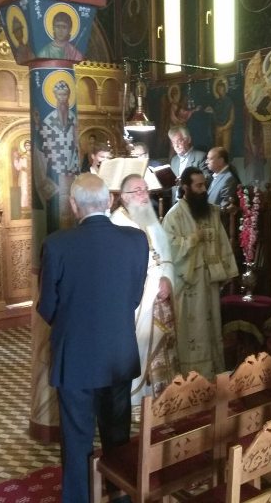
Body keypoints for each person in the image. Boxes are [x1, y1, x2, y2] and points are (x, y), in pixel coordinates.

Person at [37, 173, 148, 503]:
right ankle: (120, 494)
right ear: (110, 201)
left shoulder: (57, 244)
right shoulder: (136, 240)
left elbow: (47, 306)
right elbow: (134, 297)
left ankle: (79, 498)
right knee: (117, 435)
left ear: (73, 205)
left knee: (76, 438)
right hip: (118, 354)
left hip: (75, 357)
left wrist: (73, 325)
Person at [110, 174, 178, 410]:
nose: (143, 195)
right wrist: (154, 284)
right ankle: (137, 402)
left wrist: (167, 279)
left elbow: (165, 255)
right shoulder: (117, 224)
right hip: (139, 302)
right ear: (124, 197)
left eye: (145, 189)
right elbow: (121, 271)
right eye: (137, 191)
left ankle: (161, 401)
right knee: (139, 349)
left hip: (161, 299)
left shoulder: (151, 220)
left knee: (163, 347)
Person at [163, 167, 238, 377]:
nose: (204, 189)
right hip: (188, 284)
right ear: (186, 188)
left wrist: (226, 272)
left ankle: (212, 377)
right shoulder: (174, 216)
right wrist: (192, 240)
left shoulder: (212, 212)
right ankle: (190, 378)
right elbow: (167, 248)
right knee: (191, 331)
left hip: (209, 281)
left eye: (204, 185)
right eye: (198, 186)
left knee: (211, 328)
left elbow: (222, 241)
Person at [33, 80, 80, 234]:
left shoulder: (72, 117)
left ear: (69, 96)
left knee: (72, 212)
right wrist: (38, 125)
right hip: (54, 171)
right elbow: (41, 143)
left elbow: (76, 144)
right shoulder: (50, 119)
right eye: (59, 95)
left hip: (71, 171)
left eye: (65, 95)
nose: (62, 98)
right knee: (55, 214)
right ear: (55, 96)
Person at [168, 126, 207, 200]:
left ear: (188, 140)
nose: (176, 145)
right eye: (173, 142)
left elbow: (207, 180)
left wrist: (185, 181)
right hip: (176, 203)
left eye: (179, 141)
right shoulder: (174, 160)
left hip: (193, 202)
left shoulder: (200, 157)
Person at [206, 78, 234, 151]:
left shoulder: (229, 102)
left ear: (224, 89)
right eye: (218, 89)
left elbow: (231, 120)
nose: (219, 91)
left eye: (221, 88)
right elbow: (215, 115)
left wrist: (223, 128)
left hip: (226, 129)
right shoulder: (217, 102)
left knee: (225, 150)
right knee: (217, 150)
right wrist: (212, 111)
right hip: (217, 128)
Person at [12, 139, 31, 212]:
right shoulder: (23, 156)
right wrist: (15, 159)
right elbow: (18, 167)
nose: (27, 146)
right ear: (24, 147)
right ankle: (24, 207)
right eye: (26, 145)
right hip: (25, 175)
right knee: (24, 190)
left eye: (29, 145)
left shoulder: (34, 156)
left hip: (32, 176)